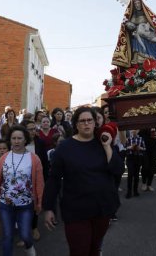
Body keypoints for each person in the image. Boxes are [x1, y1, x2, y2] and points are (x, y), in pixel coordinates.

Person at [43, 107, 124, 256]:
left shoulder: (104, 144)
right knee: (79, 251)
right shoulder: (65, 148)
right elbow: (53, 179)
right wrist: (48, 208)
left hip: (102, 208)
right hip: (76, 211)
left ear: (95, 123)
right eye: (82, 121)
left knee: (94, 249)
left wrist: (107, 147)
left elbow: (118, 170)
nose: (86, 124)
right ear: (76, 124)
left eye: (90, 120)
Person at [0, 126, 44, 256]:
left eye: (19, 138)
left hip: (26, 204)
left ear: (25, 140)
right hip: (6, 203)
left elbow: (39, 183)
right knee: (8, 235)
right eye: (13, 138)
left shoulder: (34, 159)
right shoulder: (4, 158)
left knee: (26, 235)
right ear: (10, 140)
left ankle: (29, 246)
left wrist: (39, 203)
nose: (16, 141)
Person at [112, 0, 156, 68]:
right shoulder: (132, 18)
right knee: (135, 40)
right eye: (135, 3)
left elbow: (155, 25)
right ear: (133, 5)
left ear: (141, 3)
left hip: (150, 34)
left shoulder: (148, 14)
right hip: (139, 38)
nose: (137, 4)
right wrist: (132, 30)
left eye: (138, 2)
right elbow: (129, 28)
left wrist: (149, 27)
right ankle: (139, 62)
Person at [125, 129, 146, 198]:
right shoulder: (128, 139)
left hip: (138, 157)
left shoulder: (141, 138)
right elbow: (125, 148)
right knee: (130, 174)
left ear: (138, 131)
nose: (134, 131)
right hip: (130, 157)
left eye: (136, 130)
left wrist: (140, 148)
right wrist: (130, 147)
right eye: (132, 130)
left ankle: (135, 191)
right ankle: (129, 192)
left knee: (136, 175)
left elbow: (144, 148)